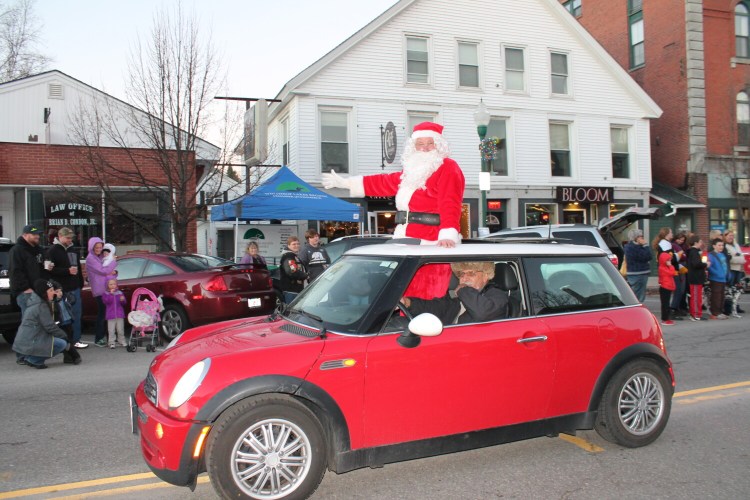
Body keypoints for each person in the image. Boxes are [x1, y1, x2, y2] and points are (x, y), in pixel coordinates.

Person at [322, 121, 465, 299]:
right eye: (420, 144)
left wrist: (448, 235)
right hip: (405, 237)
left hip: (431, 240)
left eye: (430, 143)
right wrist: (346, 183)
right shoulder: (411, 171)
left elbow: (450, 202)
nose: (425, 148)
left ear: (439, 145)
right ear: (414, 147)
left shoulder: (448, 167)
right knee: (401, 294)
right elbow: (383, 182)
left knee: (426, 295)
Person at [401, 262, 507, 325]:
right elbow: (436, 307)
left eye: (471, 273)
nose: (464, 278)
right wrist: (408, 302)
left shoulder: (497, 295)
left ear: (486, 276)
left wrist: (462, 289)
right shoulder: (457, 296)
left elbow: (483, 314)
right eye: (461, 274)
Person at [13, 279, 80, 369]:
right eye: (51, 291)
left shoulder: (37, 302)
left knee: (58, 340)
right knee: (61, 343)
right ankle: (34, 360)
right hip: (31, 341)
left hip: (28, 340)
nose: (54, 293)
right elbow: (50, 327)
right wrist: (65, 337)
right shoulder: (41, 306)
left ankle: (30, 358)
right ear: (44, 293)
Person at [8, 224, 46, 364]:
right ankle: (21, 355)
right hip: (26, 294)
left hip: (39, 292)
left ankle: (34, 352)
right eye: (33, 234)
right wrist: (25, 288)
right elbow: (15, 272)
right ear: (25, 235)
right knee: (28, 324)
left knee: (37, 324)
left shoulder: (39, 250)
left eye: (38, 234)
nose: (37, 237)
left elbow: (42, 269)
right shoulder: (17, 250)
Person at [45, 227, 87, 348]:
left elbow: (77, 267)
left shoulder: (73, 250)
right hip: (61, 289)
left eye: (71, 238)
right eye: (67, 238)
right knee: (63, 317)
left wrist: (80, 283)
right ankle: (65, 341)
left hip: (75, 288)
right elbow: (48, 270)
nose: (70, 240)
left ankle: (76, 340)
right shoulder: (52, 251)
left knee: (77, 315)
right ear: (60, 236)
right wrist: (66, 271)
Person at [86, 237, 118, 347]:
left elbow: (109, 272)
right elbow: (103, 270)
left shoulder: (100, 257)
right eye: (97, 247)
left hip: (107, 287)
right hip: (100, 290)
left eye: (100, 247)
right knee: (102, 314)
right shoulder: (91, 258)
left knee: (108, 314)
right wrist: (113, 262)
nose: (99, 249)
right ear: (92, 247)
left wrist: (114, 271)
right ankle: (99, 338)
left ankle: (110, 337)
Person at [623, 228, 652, 302]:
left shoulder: (638, 247)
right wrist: (646, 245)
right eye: (640, 236)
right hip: (636, 274)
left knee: (641, 293)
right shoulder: (630, 247)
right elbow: (647, 256)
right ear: (635, 238)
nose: (642, 238)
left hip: (642, 273)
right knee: (637, 294)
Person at [686, 234, 708, 321]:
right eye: (700, 242)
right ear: (696, 242)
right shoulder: (694, 252)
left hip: (697, 277)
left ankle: (697, 313)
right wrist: (705, 264)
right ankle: (695, 314)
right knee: (696, 297)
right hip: (695, 277)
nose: (701, 243)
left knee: (698, 297)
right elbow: (696, 264)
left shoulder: (695, 252)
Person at [279, 236, 308, 303]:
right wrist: (305, 275)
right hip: (291, 290)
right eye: (294, 244)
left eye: (298, 244)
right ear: (288, 245)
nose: (296, 246)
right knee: (291, 312)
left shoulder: (294, 255)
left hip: (296, 289)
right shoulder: (288, 256)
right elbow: (292, 271)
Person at [707, 238, 729, 320]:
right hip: (715, 278)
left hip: (723, 278)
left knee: (722, 296)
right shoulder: (711, 255)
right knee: (716, 296)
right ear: (714, 246)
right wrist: (717, 273)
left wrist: (727, 274)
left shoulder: (722, 255)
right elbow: (709, 267)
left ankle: (720, 311)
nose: (721, 247)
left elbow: (726, 266)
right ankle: (715, 313)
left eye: (722, 245)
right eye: (719, 245)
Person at [102, 278, 127, 348]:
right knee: (111, 330)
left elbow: (124, 303)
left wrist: (122, 300)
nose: (113, 286)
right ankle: (111, 342)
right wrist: (110, 294)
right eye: (111, 284)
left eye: (114, 284)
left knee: (120, 329)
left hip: (120, 314)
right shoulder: (105, 294)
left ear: (116, 285)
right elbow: (106, 302)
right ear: (107, 285)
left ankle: (122, 341)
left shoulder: (119, 293)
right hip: (110, 315)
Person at [669, 232, 689, 319]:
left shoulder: (683, 246)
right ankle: (674, 308)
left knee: (681, 290)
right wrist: (682, 255)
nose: (681, 241)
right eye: (679, 239)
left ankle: (677, 307)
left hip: (681, 268)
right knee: (679, 289)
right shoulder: (674, 245)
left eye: (682, 240)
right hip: (678, 268)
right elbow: (683, 256)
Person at [657, 251, 677, 326]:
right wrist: (671, 266)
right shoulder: (662, 268)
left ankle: (667, 318)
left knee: (667, 303)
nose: (669, 262)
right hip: (664, 287)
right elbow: (672, 273)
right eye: (668, 260)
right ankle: (664, 319)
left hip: (667, 287)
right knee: (665, 304)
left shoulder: (665, 267)